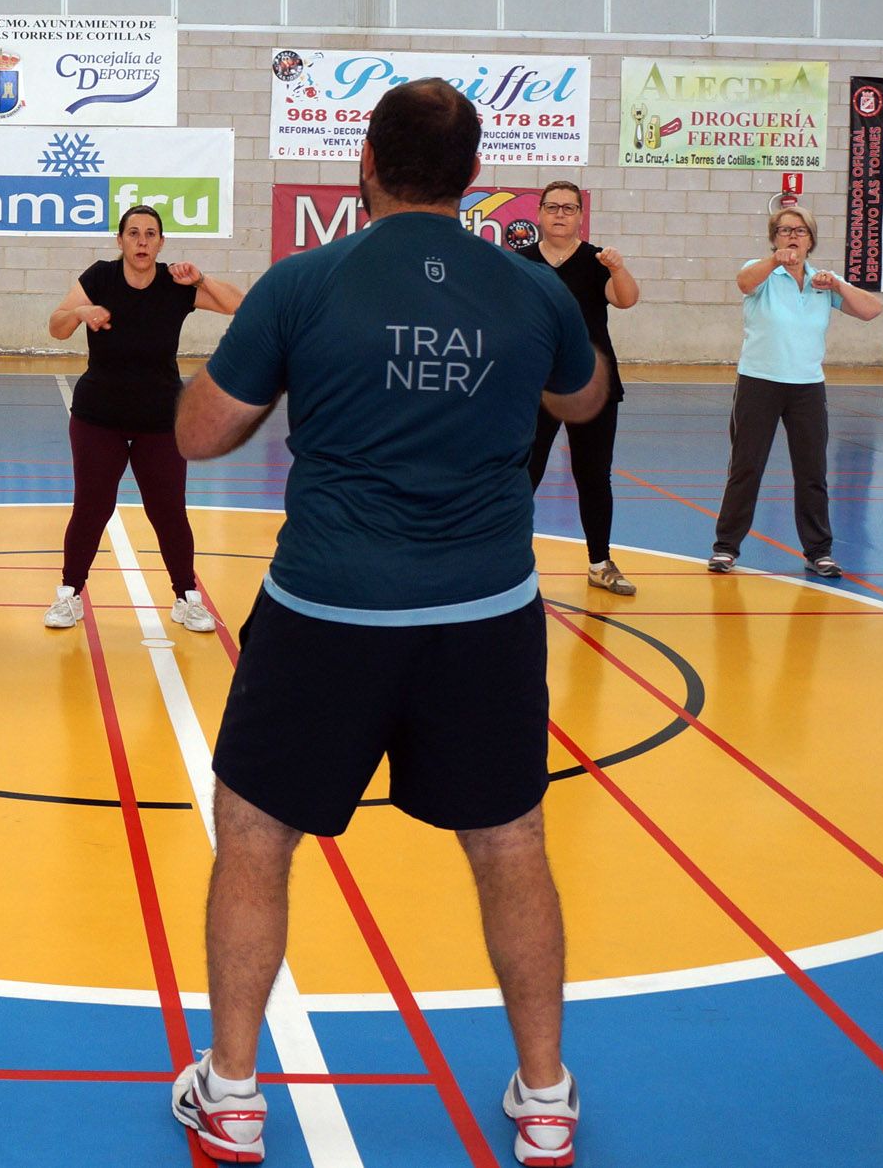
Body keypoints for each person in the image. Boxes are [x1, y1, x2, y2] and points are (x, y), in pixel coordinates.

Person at [170, 79, 608, 1167]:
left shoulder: (301, 282)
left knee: (256, 840)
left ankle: (230, 1092)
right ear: (473, 177)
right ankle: (544, 1097)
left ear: (363, 163)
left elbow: (199, 435)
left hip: (326, 608)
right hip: (483, 613)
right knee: (509, 844)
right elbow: (583, 399)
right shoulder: (527, 289)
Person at [41, 204, 243, 632]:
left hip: (162, 421)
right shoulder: (99, 277)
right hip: (98, 417)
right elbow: (56, 326)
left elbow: (239, 306)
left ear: (161, 243)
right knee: (93, 506)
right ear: (120, 241)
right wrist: (80, 314)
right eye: (133, 234)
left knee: (168, 509)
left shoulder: (175, 283)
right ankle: (69, 594)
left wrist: (202, 279)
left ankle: (186, 596)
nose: (142, 242)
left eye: (151, 234)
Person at [709, 205, 881, 579]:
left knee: (812, 471)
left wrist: (838, 285)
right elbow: (743, 282)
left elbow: (871, 310)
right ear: (774, 238)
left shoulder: (823, 281)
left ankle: (818, 551)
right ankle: (725, 548)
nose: (792, 236)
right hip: (759, 382)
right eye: (785, 230)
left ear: (811, 241)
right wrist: (774, 261)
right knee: (746, 467)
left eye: (800, 231)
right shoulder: (762, 272)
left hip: (807, 387)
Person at [516, 180, 641, 596]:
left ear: (580, 216)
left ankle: (600, 562)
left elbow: (626, 301)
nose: (560, 215)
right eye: (553, 207)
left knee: (593, 476)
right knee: (522, 475)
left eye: (569, 208)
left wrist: (619, 268)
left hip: (593, 387)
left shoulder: (597, 260)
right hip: (536, 386)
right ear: (539, 214)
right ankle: (509, 559)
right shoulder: (520, 263)